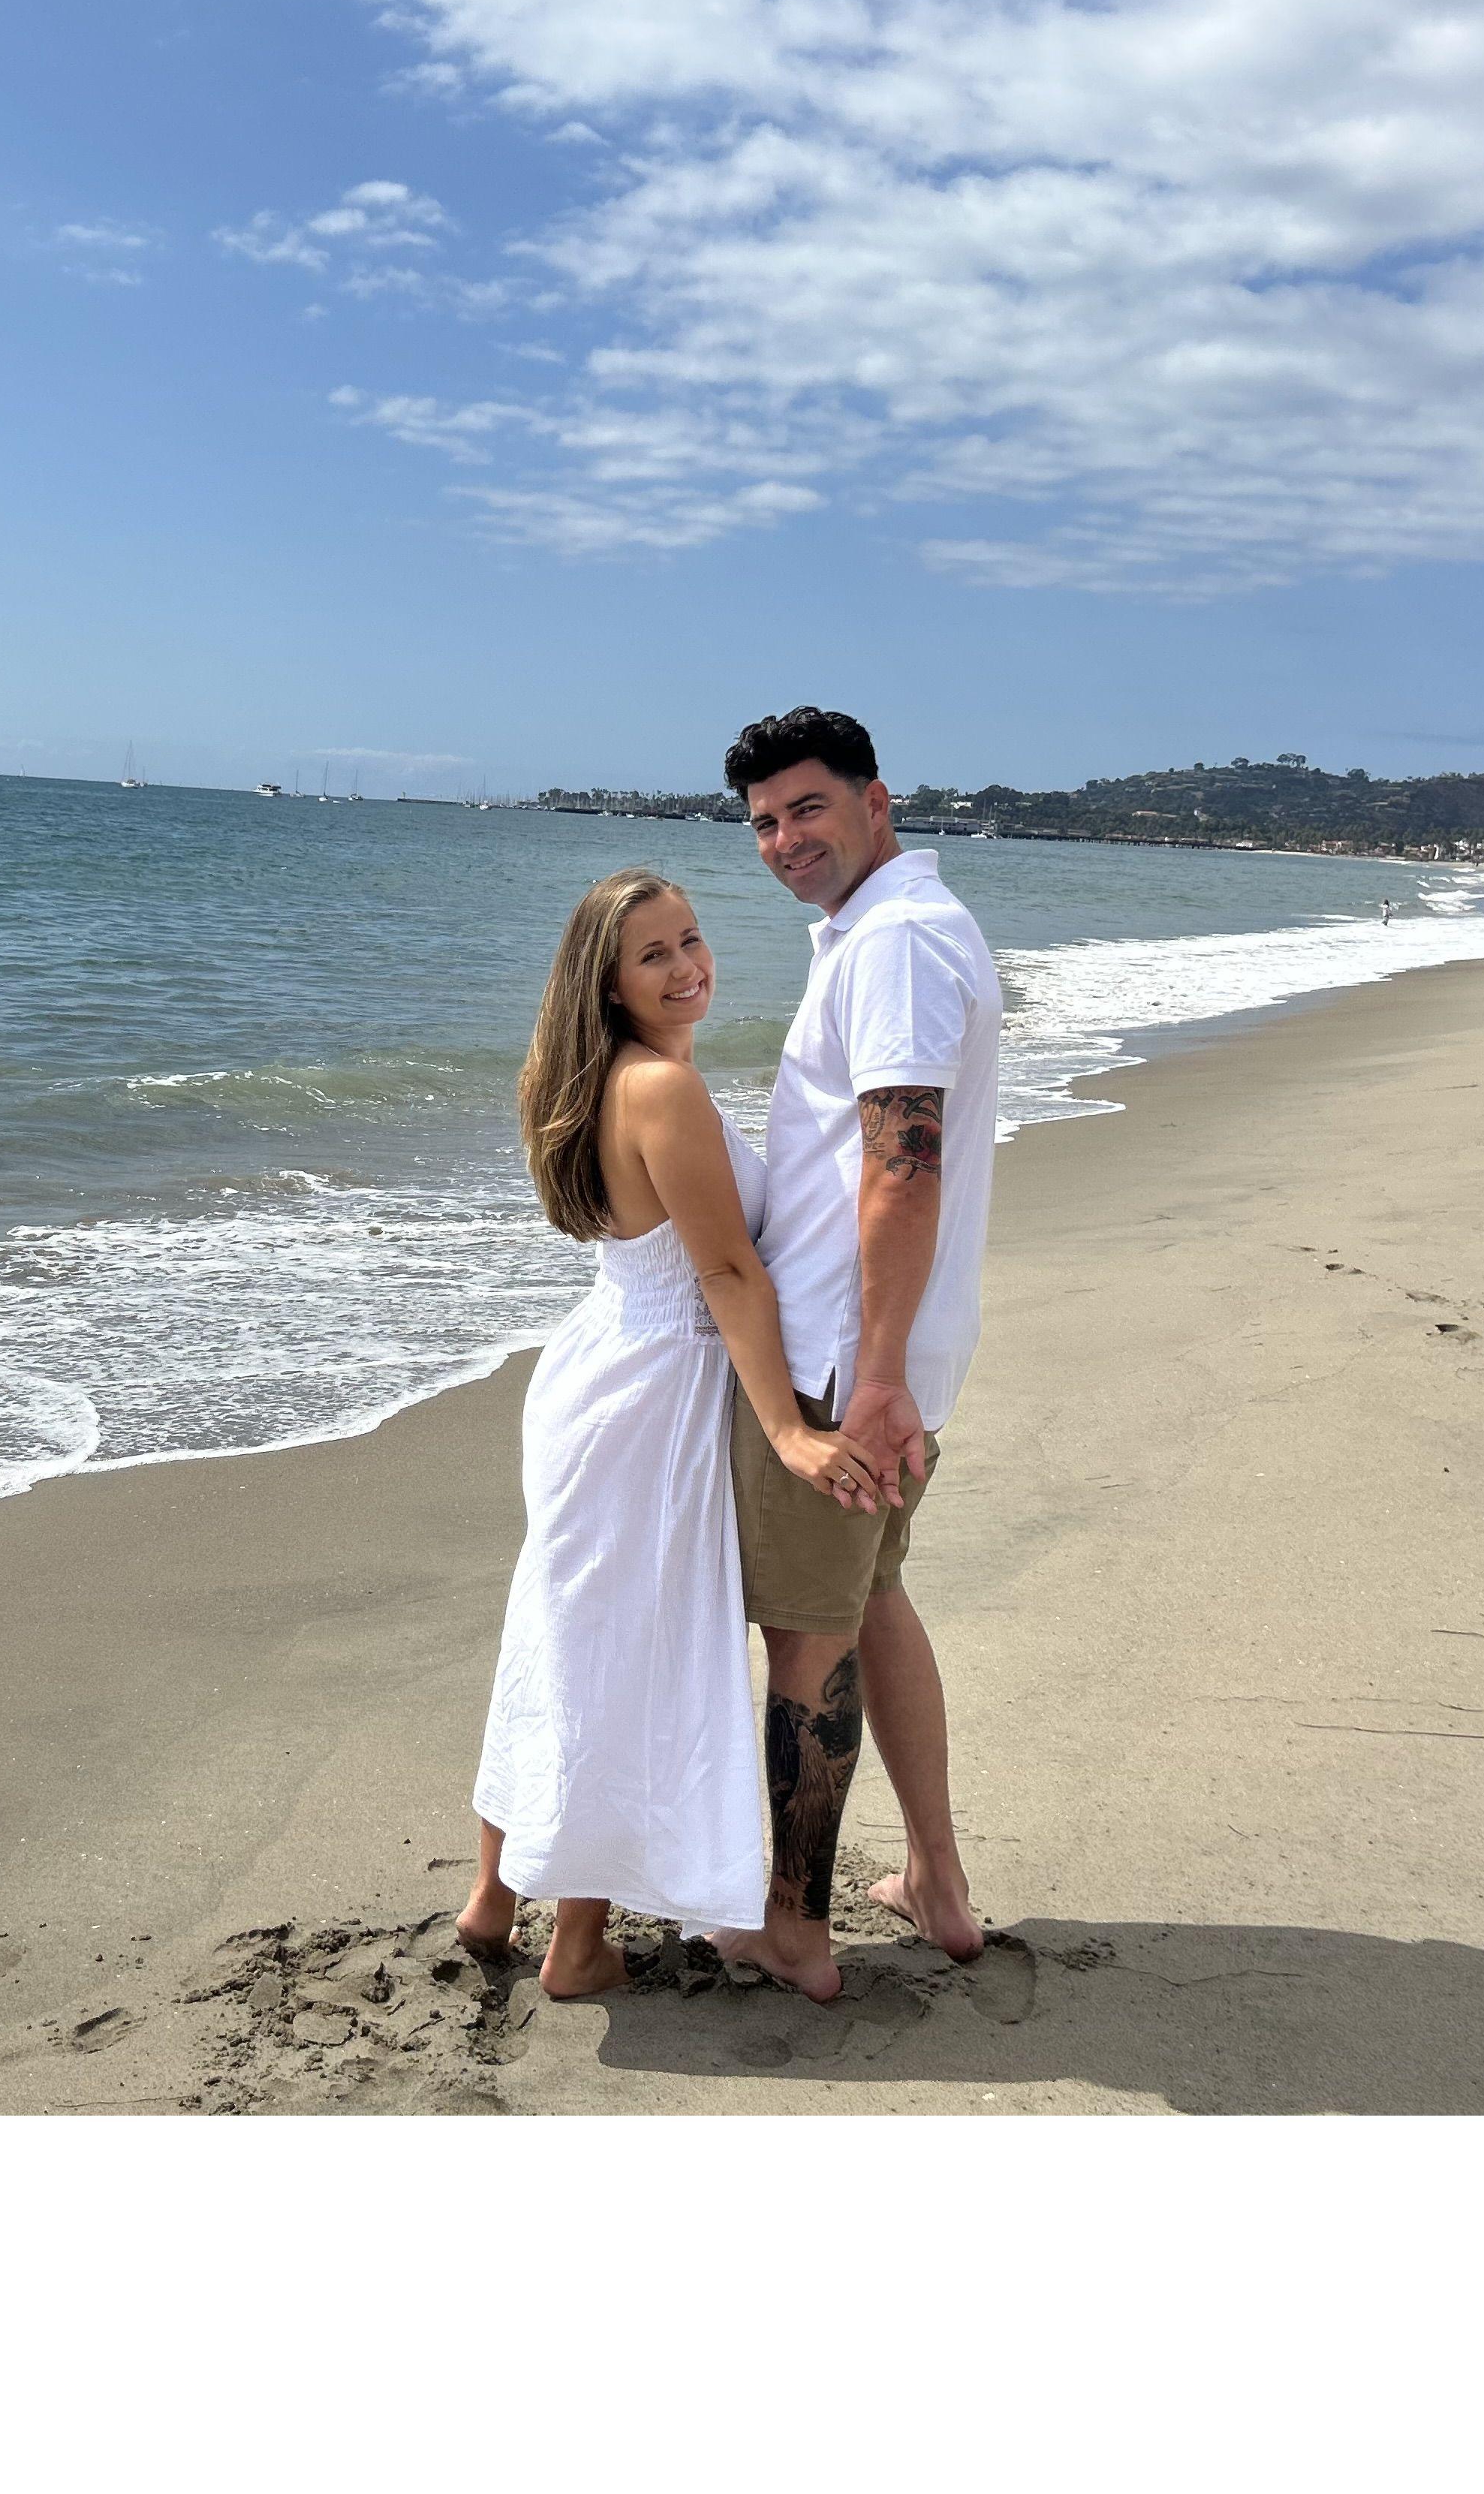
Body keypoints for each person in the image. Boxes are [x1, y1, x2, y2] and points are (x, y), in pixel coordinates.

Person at [461, 870, 874, 1998]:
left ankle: (494, 1895)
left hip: (600, 1367)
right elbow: (728, 1272)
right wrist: (787, 1428)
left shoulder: (594, 1078)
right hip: (654, 1392)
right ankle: (577, 1944)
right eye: (653, 954)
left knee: (558, 1630)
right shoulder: (660, 1088)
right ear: (607, 980)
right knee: (621, 1653)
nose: (688, 966)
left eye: (691, 939)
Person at [710, 707, 998, 2003]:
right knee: (871, 1600)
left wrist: (871, 1376)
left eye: (808, 809)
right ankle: (935, 1878)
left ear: (877, 802)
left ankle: (793, 1929)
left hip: (843, 1363)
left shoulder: (894, 943)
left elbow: (903, 1164)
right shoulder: (900, 929)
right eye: (765, 822)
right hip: (885, 1353)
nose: (784, 840)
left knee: (808, 1637)